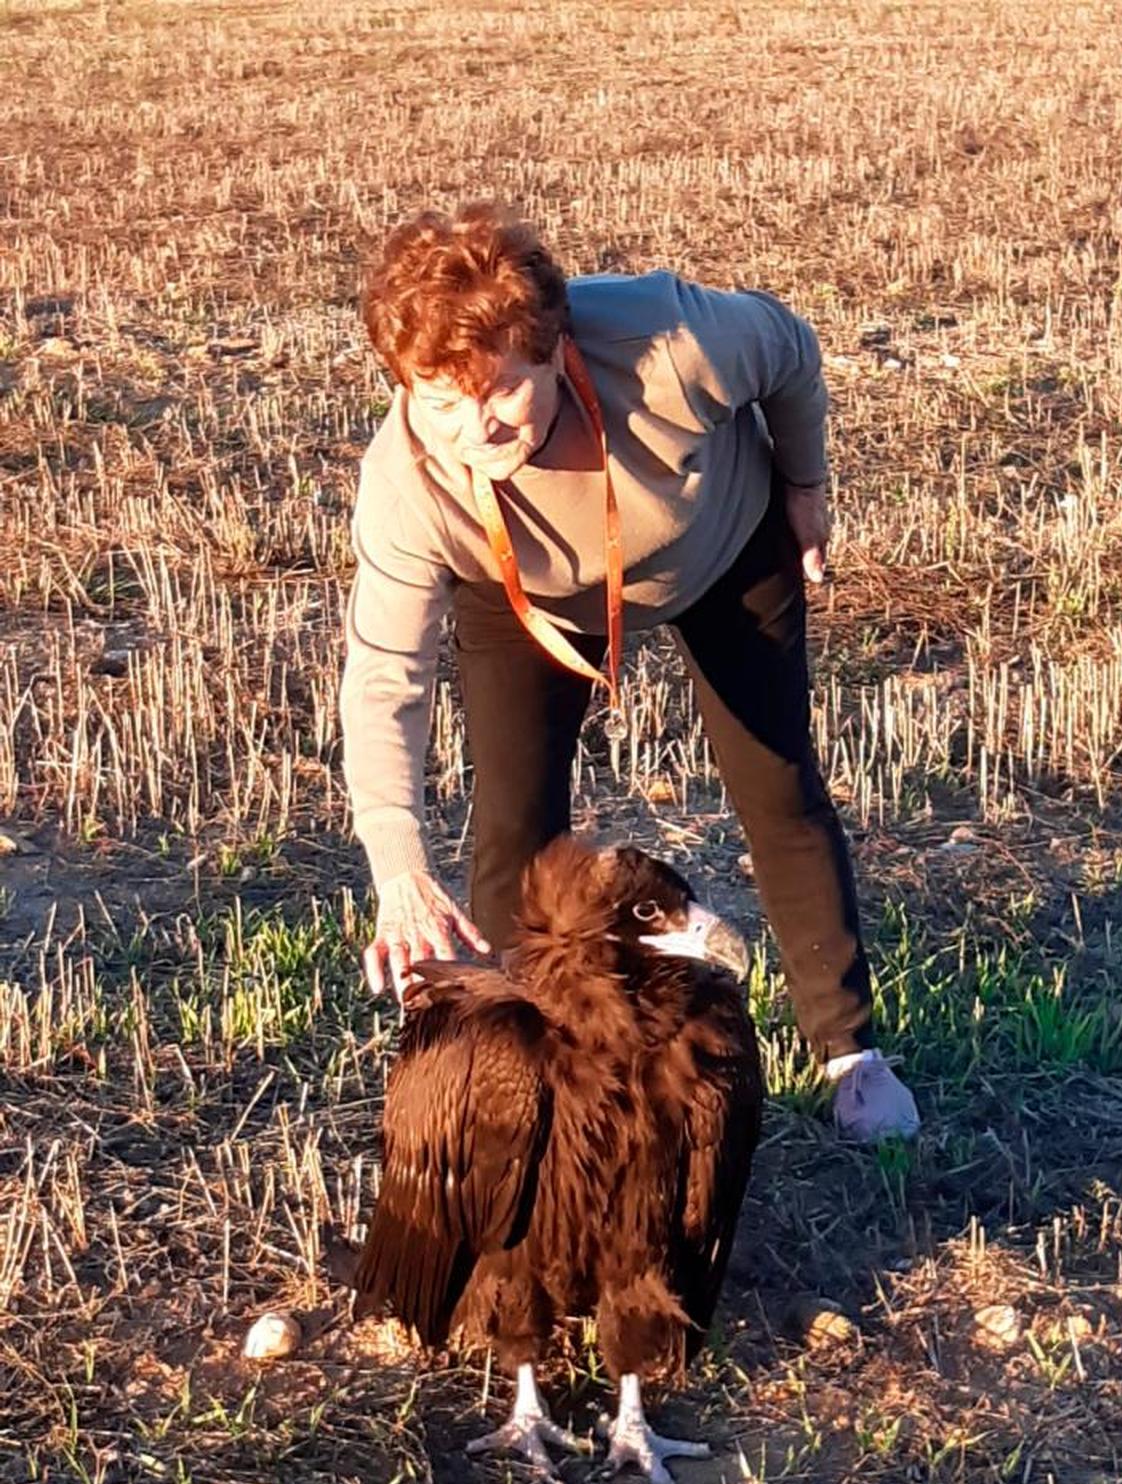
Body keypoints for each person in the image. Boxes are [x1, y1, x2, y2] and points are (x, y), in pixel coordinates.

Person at [338, 200, 919, 1142]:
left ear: (556, 348)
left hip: (721, 545)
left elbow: (792, 351)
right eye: (442, 400)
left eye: (503, 394)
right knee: (514, 830)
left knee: (776, 782)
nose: (476, 430)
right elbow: (383, 678)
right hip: (524, 594)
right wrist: (397, 866)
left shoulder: (670, 339)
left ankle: (851, 1053)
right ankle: (521, 1072)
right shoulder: (406, 482)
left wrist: (806, 484)